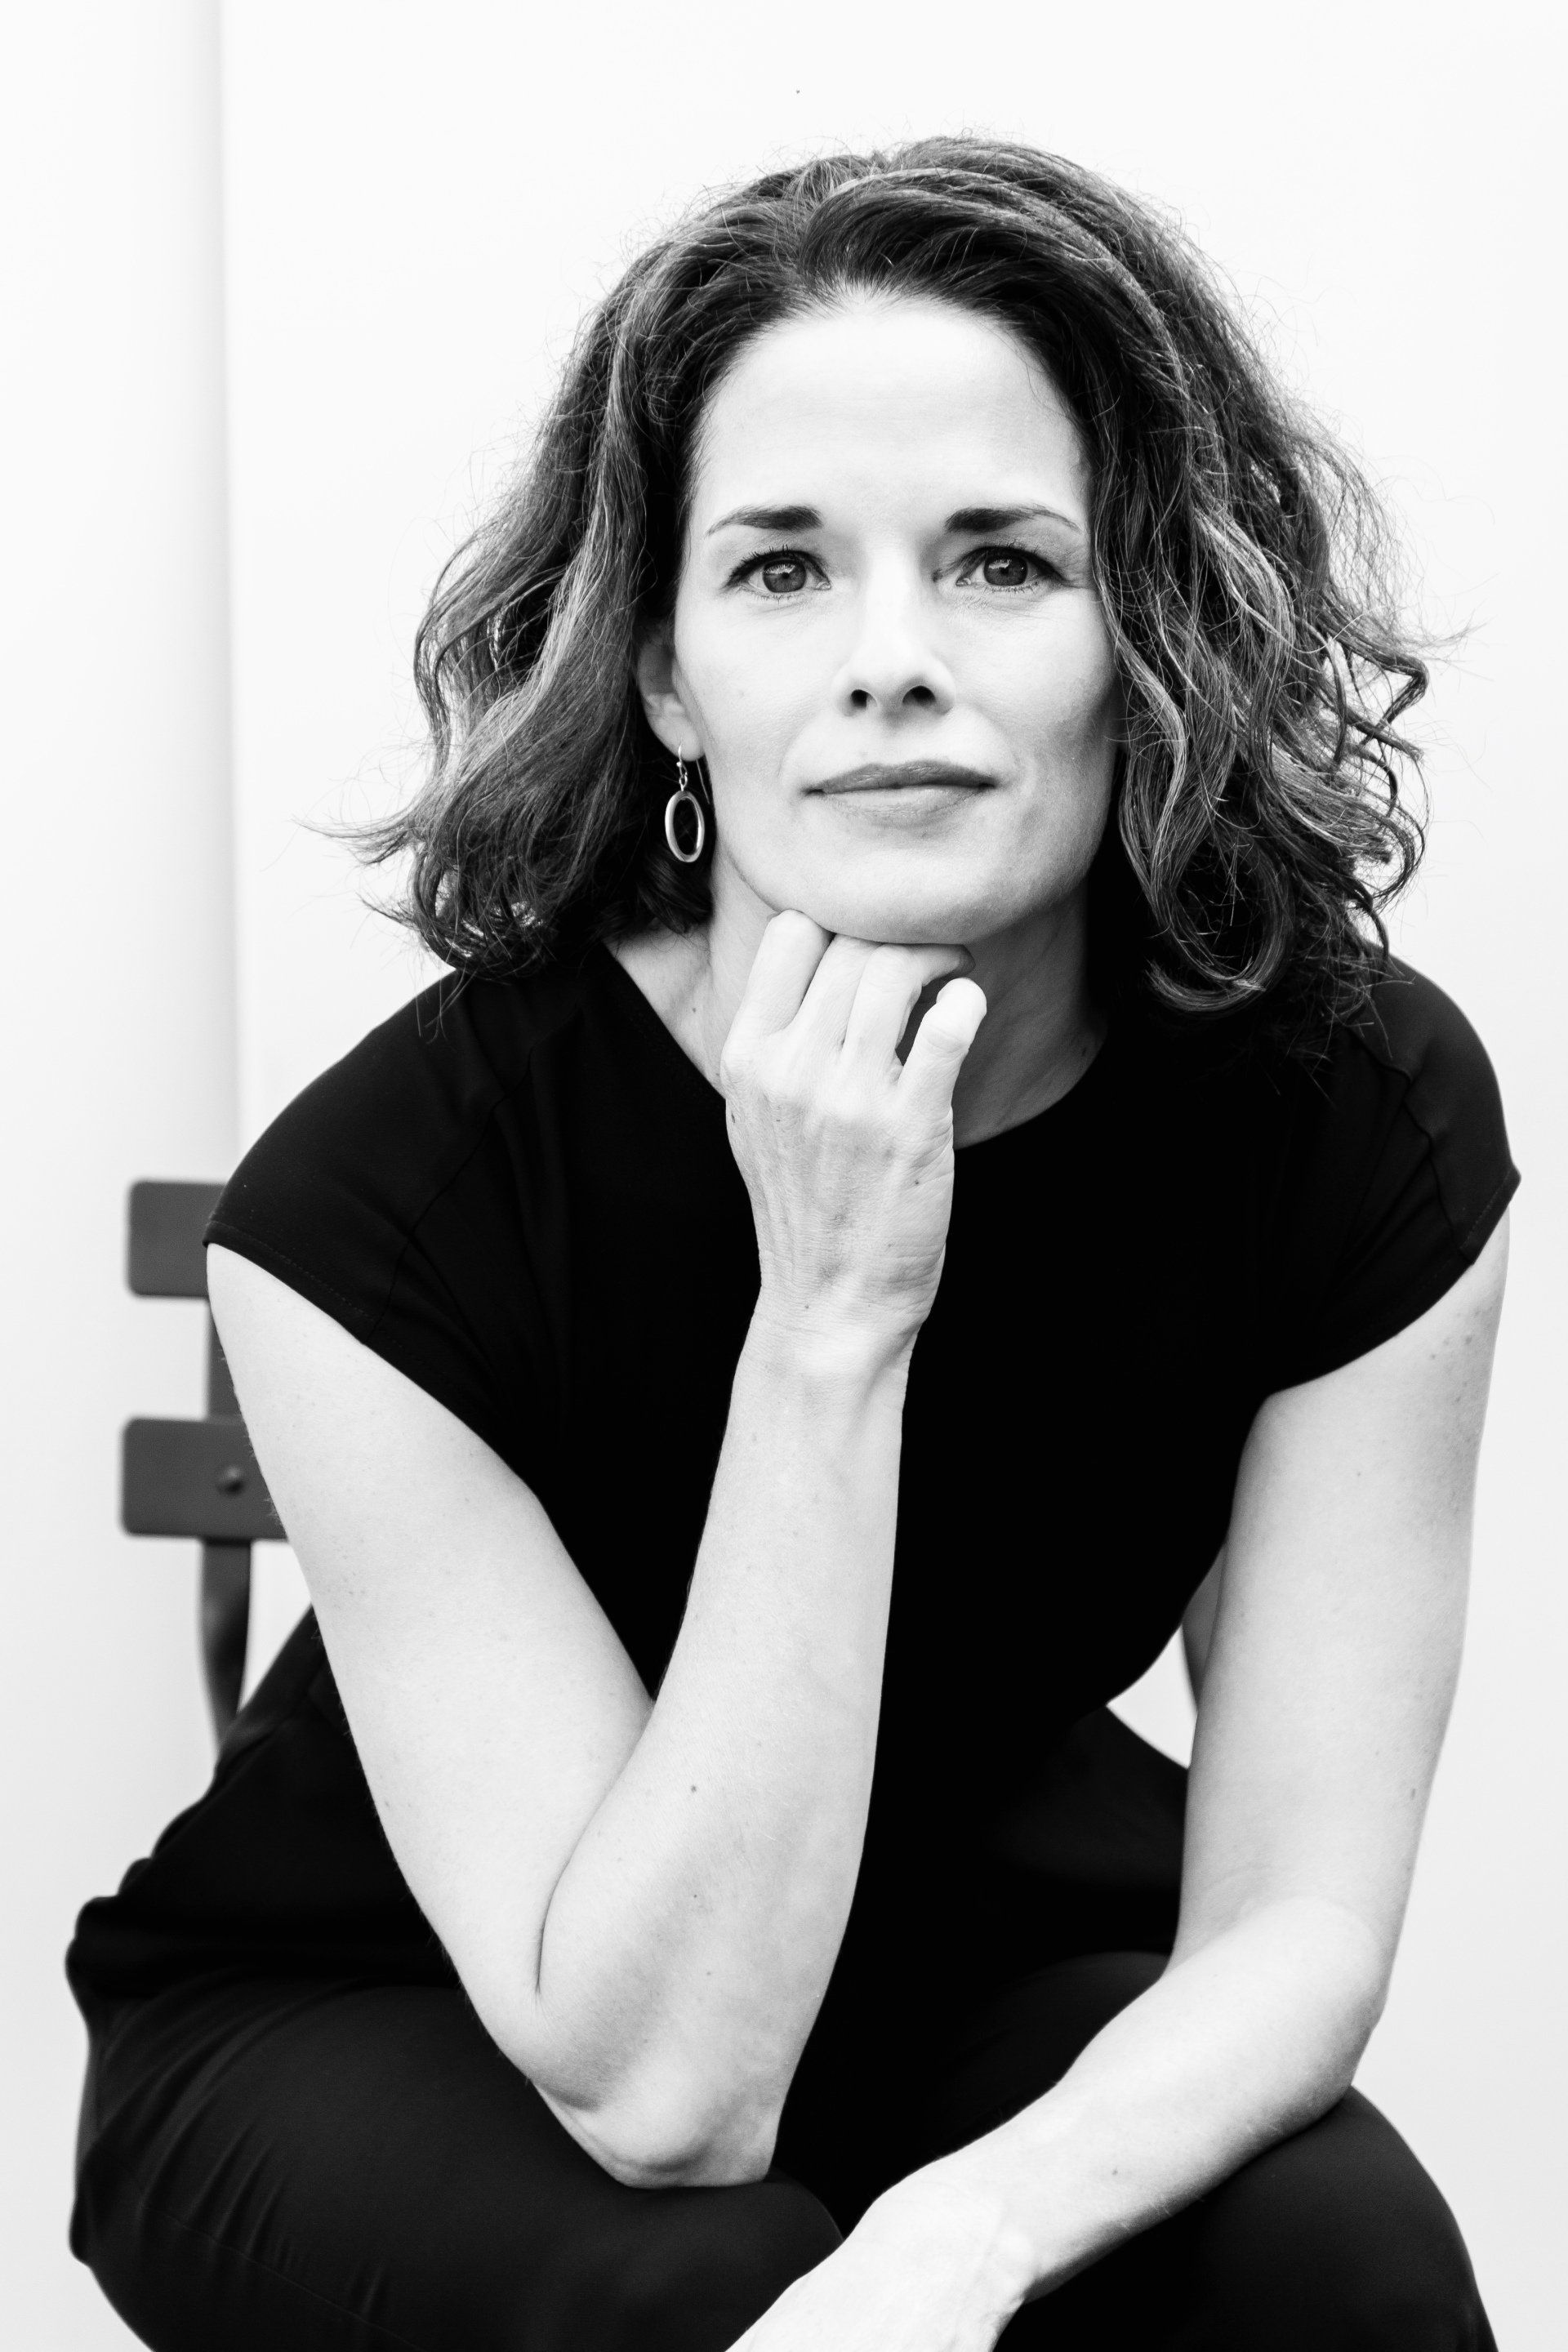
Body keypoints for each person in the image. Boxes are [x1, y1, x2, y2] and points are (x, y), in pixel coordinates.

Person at [69, 140, 1516, 2350]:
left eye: (1006, 564)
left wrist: (968, 2235)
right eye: (778, 575)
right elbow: (667, 2093)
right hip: (398, 1998)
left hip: (968, 1944)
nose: (892, 666)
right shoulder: (373, 1212)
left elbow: (1300, 1928)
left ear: (1150, 629)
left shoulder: (1352, 1109)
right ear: (661, 674)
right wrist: (832, 1315)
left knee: (1340, 2269)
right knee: (703, 2289)